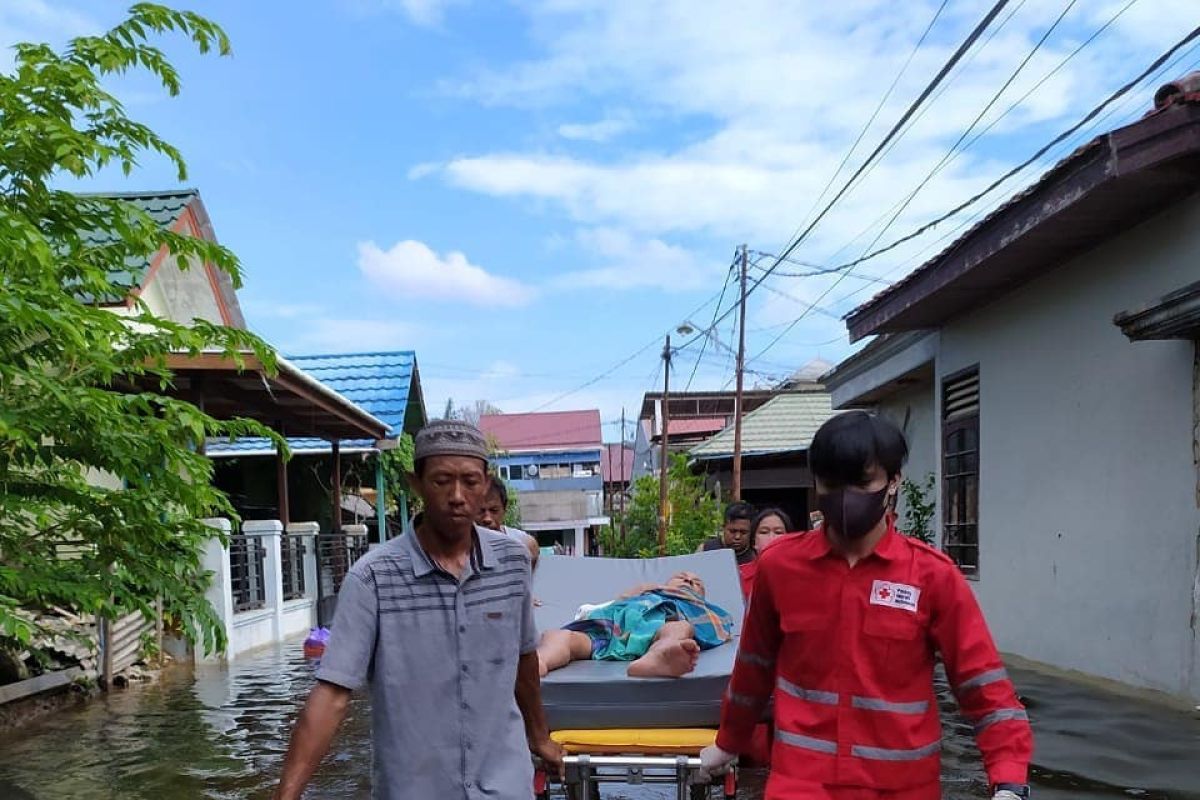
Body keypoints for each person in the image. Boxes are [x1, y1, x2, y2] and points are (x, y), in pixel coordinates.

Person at [700, 411, 1033, 800]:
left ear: (894, 482)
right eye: (832, 483)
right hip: (803, 783)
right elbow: (752, 670)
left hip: (903, 788)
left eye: (862, 482)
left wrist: (1009, 779)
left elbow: (983, 686)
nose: (845, 497)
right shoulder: (780, 568)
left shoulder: (932, 577)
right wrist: (729, 742)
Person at [272, 419, 563, 800]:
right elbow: (333, 692)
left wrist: (538, 736)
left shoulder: (512, 561)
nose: (457, 495)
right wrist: (287, 793)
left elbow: (524, 658)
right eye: (442, 481)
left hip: (504, 783)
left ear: (486, 483)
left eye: (470, 481)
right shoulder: (373, 578)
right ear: (416, 484)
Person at [536, 571, 733, 679]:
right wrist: (642, 590)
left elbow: (718, 624)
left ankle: (660, 655)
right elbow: (615, 603)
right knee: (562, 636)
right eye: (681, 577)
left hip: (659, 627)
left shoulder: (696, 606)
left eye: (696, 583)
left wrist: (695, 601)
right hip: (612, 628)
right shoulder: (646, 593)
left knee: (680, 629)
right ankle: (540, 661)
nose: (688, 580)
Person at [478, 474, 540, 569]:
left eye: (494, 510)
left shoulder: (525, 544)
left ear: (504, 508)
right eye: (480, 511)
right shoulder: (458, 550)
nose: (487, 519)